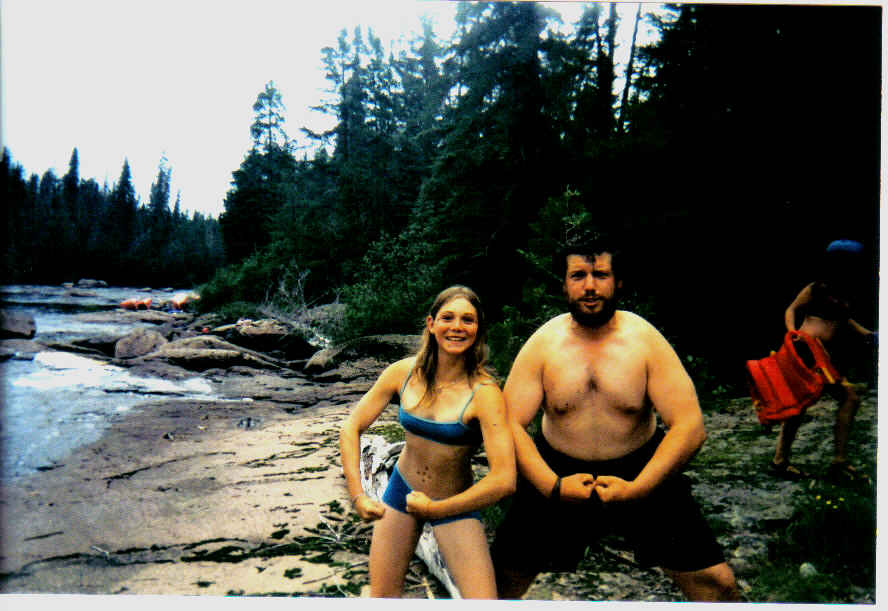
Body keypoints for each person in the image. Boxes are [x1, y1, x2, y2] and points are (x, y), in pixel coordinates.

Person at [491, 234, 738, 601]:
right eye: (578, 276)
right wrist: (551, 486)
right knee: (497, 582)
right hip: (556, 470)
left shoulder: (644, 340)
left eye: (601, 275)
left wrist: (638, 488)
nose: (590, 286)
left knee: (718, 583)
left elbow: (689, 427)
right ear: (564, 285)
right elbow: (507, 423)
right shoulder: (544, 343)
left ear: (618, 282)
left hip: (641, 467)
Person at [339, 285, 516, 598]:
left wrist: (437, 509)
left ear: (478, 329)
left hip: (454, 502)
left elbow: (504, 480)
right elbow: (351, 427)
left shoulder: (485, 393)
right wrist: (357, 496)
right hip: (401, 491)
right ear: (431, 323)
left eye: (467, 320)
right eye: (448, 317)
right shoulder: (403, 373)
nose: (457, 327)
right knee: (382, 598)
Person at [771, 239, 876, 480]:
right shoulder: (817, 288)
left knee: (839, 400)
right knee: (843, 398)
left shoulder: (845, 292)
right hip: (806, 351)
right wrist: (792, 334)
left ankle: (785, 461)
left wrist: (868, 335)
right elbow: (791, 309)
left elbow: (844, 320)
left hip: (821, 357)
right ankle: (831, 462)